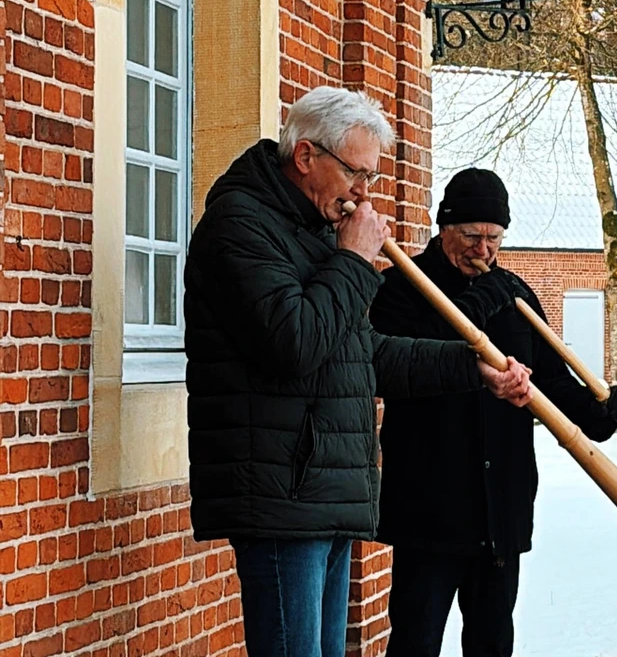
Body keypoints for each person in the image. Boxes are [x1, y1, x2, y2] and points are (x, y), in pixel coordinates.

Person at [183, 89, 532, 657]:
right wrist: (351, 260)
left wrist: (475, 369)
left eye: (369, 176)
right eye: (355, 173)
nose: (363, 192)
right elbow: (295, 342)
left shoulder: (312, 230)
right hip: (282, 497)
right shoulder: (240, 227)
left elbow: (366, 356)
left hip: (327, 489)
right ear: (304, 157)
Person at [369, 168, 617, 657]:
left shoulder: (514, 295)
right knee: (415, 641)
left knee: (493, 643)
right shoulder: (400, 289)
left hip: (501, 508)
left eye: (494, 238)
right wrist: (479, 301)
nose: (484, 250)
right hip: (429, 509)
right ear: (443, 228)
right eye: (472, 236)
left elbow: (553, 381)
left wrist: (604, 412)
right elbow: (405, 361)